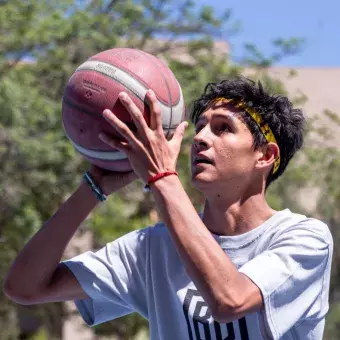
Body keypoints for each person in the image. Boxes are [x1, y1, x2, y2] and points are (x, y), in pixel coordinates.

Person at [4, 77, 333, 340]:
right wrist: (93, 188)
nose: (201, 138)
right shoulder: (152, 248)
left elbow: (230, 300)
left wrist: (162, 178)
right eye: (200, 127)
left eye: (223, 128)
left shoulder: (304, 239)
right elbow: (24, 287)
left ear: (265, 155)